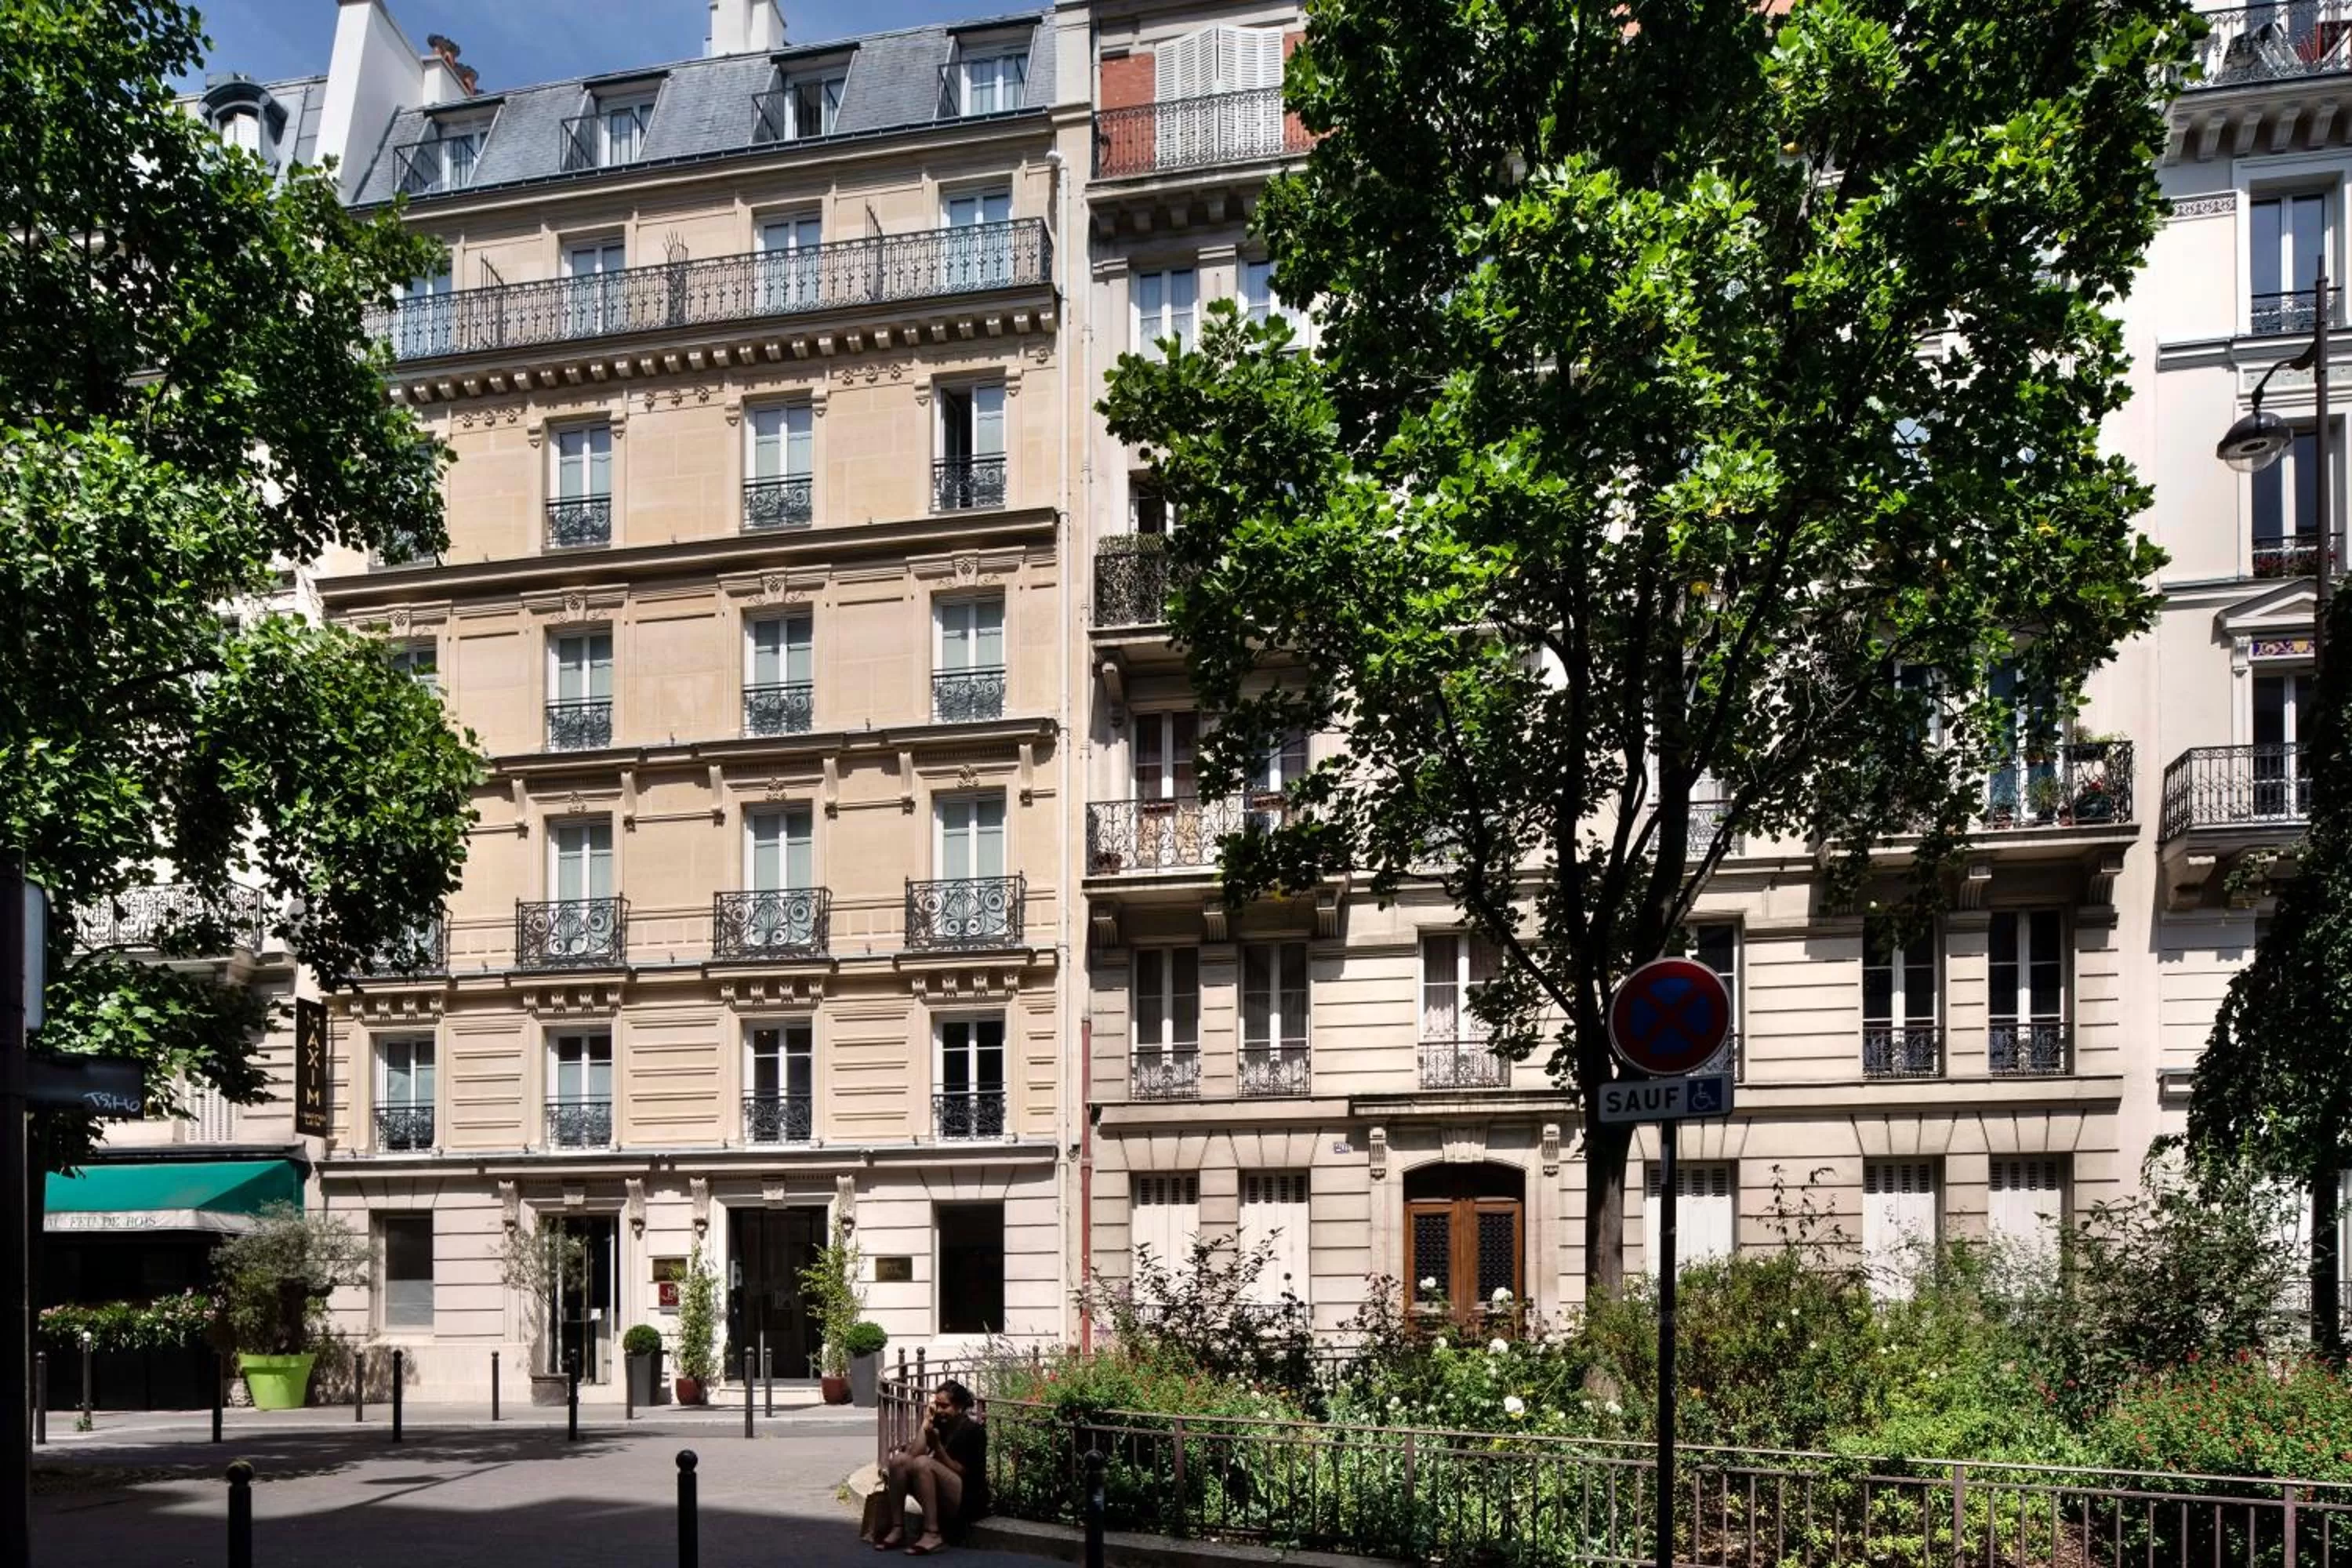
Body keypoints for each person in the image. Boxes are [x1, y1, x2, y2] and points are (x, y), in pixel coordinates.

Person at [866, 1379, 989, 1555]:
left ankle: (933, 1534)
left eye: (944, 1406)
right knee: (900, 1460)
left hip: (966, 1498)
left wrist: (937, 1446)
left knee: (924, 1464)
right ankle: (898, 1527)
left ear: (960, 1407)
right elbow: (912, 1455)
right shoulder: (939, 1423)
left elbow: (963, 1472)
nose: (939, 1411)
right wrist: (926, 1424)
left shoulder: (974, 1431)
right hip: (941, 1491)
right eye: (936, 1405)